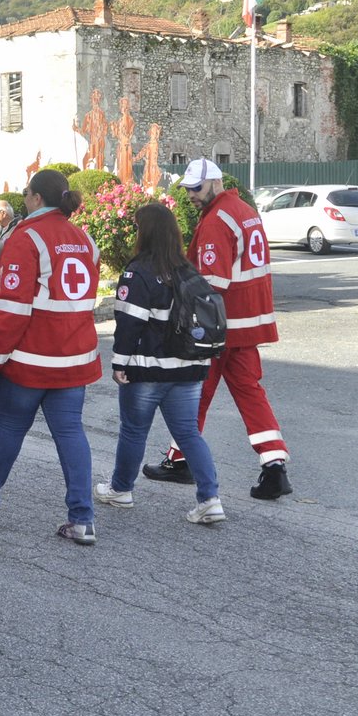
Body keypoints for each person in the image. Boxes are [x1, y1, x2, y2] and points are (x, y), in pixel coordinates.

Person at [0, 168, 101, 546]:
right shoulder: (84, 238)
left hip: (31, 359)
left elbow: (12, 311)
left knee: (11, 428)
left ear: (35, 198)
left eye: (25, 193)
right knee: (71, 433)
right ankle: (82, 518)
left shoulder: (27, 238)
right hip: (73, 358)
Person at [141, 158, 290, 499]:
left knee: (195, 391)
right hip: (248, 324)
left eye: (195, 188)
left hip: (220, 329)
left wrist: (177, 317)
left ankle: (182, 461)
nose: (191, 195)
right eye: (188, 188)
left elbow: (209, 285)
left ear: (213, 183)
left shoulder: (216, 221)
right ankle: (274, 464)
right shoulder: (244, 210)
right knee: (248, 394)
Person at [96, 203, 225, 525]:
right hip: (190, 367)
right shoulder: (188, 270)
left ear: (146, 232)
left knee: (134, 431)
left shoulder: (138, 271)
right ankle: (210, 499)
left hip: (148, 369)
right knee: (188, 433)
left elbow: (129, 324)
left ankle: (121, 490)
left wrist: (119, 363)